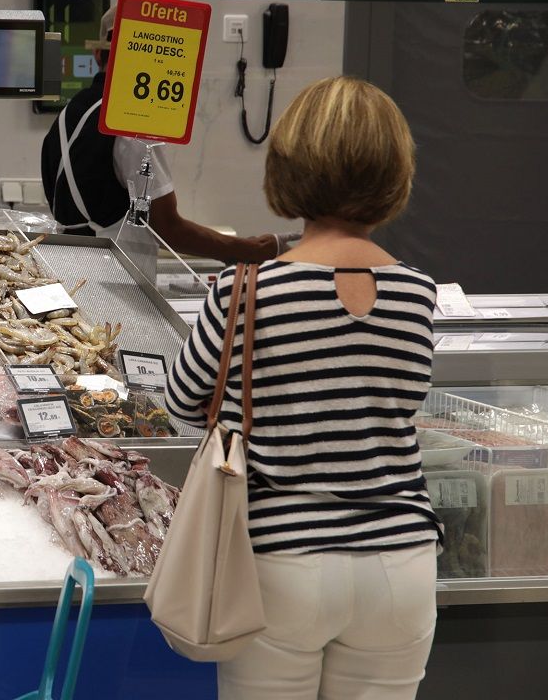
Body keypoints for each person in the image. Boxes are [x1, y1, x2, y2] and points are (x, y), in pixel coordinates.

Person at [166, 76, 442, 700]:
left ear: (290, 167)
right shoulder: (418, 294)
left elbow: (184, 401)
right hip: (402, 561)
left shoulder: (245, 291)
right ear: (395, 171)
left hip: (280, 565)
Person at [41, 7, 285, 261]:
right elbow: (168, 228)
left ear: (96, 54)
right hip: (116, 277)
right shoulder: (132, 120)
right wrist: (250, 250)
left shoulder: (67, 113)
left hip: (66, 268)